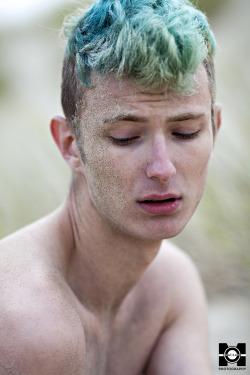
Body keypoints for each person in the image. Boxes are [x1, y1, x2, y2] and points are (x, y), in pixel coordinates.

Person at [0, 0, 222, 374]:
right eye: (125, 137)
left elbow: (236, 359)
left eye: (185, 132)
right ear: (70, 144)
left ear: (215, 127)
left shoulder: (172, 284)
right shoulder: (25, 320)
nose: (162, 168)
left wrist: (238, 361)